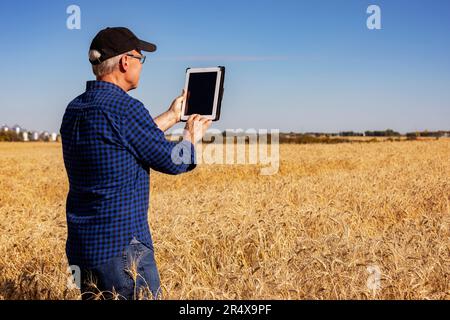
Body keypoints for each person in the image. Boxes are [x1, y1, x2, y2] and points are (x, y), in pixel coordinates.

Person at [60, 27, 211, 300]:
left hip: (82, 248)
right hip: (122, 249)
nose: (142, 65)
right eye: (140, 58)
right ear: (124, 61)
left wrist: (172, 115)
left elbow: (124, 140)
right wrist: (190, 136)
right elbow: (172, 161)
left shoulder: (75, 108)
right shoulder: (126, 108)